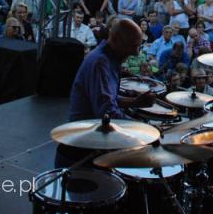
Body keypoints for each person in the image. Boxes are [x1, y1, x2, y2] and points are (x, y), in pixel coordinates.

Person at [59, 18, 157, 167]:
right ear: (116, 39)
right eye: (132, 46)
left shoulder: (109, 59)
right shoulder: (100, 63)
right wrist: (144, 131)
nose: (136, 53)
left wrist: (136, 102)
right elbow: (107, 113)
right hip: (84, 147)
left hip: (94, 135)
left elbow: (106, 99)